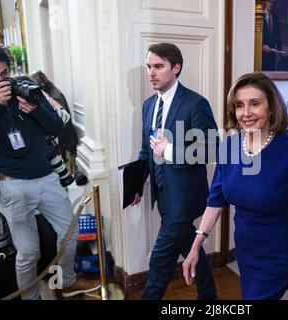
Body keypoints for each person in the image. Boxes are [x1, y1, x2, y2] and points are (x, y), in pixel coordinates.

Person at [182, 72, 288, 300]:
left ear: (271, 108)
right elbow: (216, 200)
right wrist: (195, 245)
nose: (246, 113)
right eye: (240, 105)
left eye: (255, 103)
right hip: (246, 254)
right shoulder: (229, 147)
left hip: (280, 254)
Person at [0, 42, 99, 299]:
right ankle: (30, 297)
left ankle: (66, 281)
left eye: (4, 74)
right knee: (28, 252)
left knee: (70, 234)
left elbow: (58, 128)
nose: (0, 81)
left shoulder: (25, 90)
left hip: (47, 178)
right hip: (10, 185)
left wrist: (36, 111)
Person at [131, 42, 218, 300]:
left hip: (185, 198)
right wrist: (137, 184)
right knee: (189, 247)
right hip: (163, 196)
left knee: (159, 262)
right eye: (149, 66)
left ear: (176, 68)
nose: (151, 73)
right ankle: (209, 296)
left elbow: (211, 149)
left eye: (158, 66)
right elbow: (147, 150)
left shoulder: (196, 104)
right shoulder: (148, 105)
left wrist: (169, 151)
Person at [30, 70, 79, 166]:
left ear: (42, 86)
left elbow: (61, 121)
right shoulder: (51, 93)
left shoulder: (55, 97)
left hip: (65, 147)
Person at [262, 0, 282, 71]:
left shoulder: (275, 17)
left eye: (272, 3)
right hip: (261, 53)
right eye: (269, 2)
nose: (270, 4)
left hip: (272, 53)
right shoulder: (259, 15)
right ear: (264, 2)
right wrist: (262, 46)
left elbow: (278, 35)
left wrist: (279, 52)